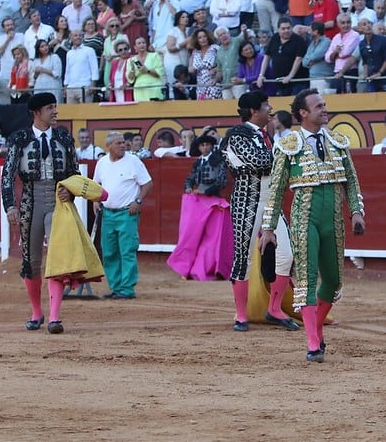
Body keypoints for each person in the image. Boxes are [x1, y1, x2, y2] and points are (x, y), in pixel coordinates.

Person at [259, 89, 365, 362]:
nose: (325, 109)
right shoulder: (288, 144)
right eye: (319, 106)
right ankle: (313, 342)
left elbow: (351, 181)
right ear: (303, 113)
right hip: (304, 217)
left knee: (333, 280)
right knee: (306, 277)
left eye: (324, 105)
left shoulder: (338, 142)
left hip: (333, 218)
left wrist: (356, 211)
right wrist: (269, 228)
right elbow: (277, 189)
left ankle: (316, 327)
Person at [0, 93, 79, 333]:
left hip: (58, 202)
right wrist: (10, 205)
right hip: (29, 202)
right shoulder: (20, 139)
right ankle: (37, 312)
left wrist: (71, 192)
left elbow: (74, 172)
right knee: (31, 260)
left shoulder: (65, 138)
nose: (55, 111)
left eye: (55, 107)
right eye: (50, 108)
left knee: (56, 258)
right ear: (36, 112)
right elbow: (7, 174)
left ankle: (55, 317)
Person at [221, 91, 298, 332]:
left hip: (271, 202)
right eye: (266, 105)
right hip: (247, 201)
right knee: (243, 258)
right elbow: (259, 161)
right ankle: (241, 315)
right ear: (254, 111)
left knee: (286, 255)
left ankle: (274, 309)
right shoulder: (236, 135)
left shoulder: (266, 136)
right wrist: (285, 156)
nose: (271, 109)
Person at [93, 131, 153, 299]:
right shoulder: (102, 163)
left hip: (127, 212)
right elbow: (96, 184)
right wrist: (95, 200)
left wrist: (138, 201)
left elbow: (148, 183)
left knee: (126, 251)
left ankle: (127, 288)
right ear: (108, 146)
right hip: (108, 214)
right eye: (118, 143)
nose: (123, 145)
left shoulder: (133, 161)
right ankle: (116, 287)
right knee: (109, 252)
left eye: (123, 142)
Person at [167, 134, 233, 281]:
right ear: (199, 147)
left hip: (214, 204)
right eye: (202, 145)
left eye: (207, 145)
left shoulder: (218, 161)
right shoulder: (197, 162)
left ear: (211, 146)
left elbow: (221, 182)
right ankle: (188, 268)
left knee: (212, 238)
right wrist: (189, 187)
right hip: (199, 203)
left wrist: (205, 191)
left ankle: (213, 268)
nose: (204, 148)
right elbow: (190, 178)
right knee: (193, 235)